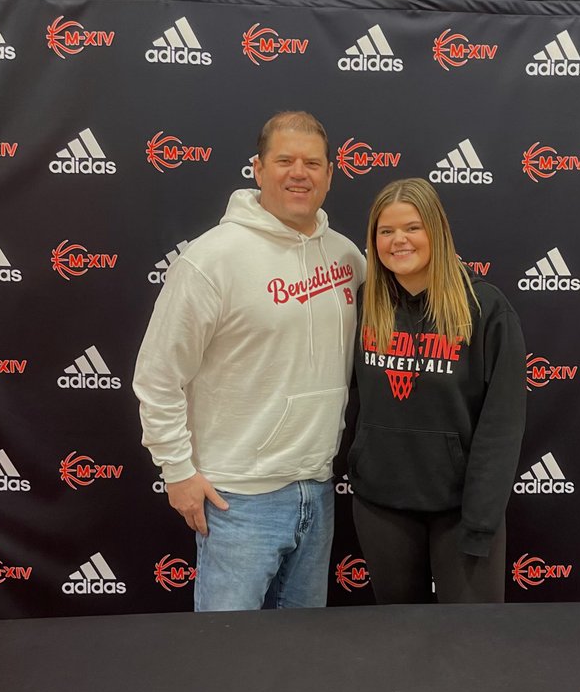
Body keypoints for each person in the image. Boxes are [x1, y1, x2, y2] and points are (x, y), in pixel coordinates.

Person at [133, 110, 365, 611]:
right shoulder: (210, 259)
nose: (298, 172)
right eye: (284, 160)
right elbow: (157, 378)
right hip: (237, 499)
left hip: (317, 489)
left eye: (312, 163)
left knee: (300, 658)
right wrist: (176, 471)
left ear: (329, 175)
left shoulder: (347, 258)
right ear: (258, 170)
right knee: (225, 659)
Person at [348, 178, 526, 604]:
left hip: (460, 511)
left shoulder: (484, 308)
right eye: (385, 231)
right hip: (382, 507)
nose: (398, 240)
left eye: (412, 227)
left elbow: (501, 425)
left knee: (471, 647)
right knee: (399, 642)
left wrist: (480, 520)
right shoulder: (363, 304)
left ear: (437, 232)